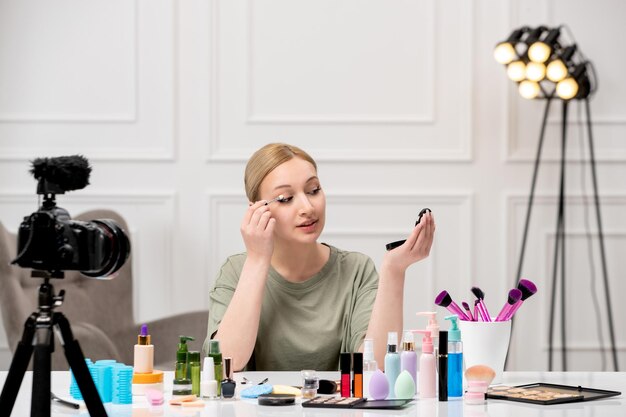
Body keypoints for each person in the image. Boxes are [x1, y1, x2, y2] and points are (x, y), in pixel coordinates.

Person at [203, 143, 435, 371]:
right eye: (285, 198)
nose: (307, 207)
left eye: (313, 190)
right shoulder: (236, 270)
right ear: (256, 210)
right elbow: (224, 365)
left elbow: (377, 366)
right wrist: (256, 259)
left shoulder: (356, 270)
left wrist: (394, 270)